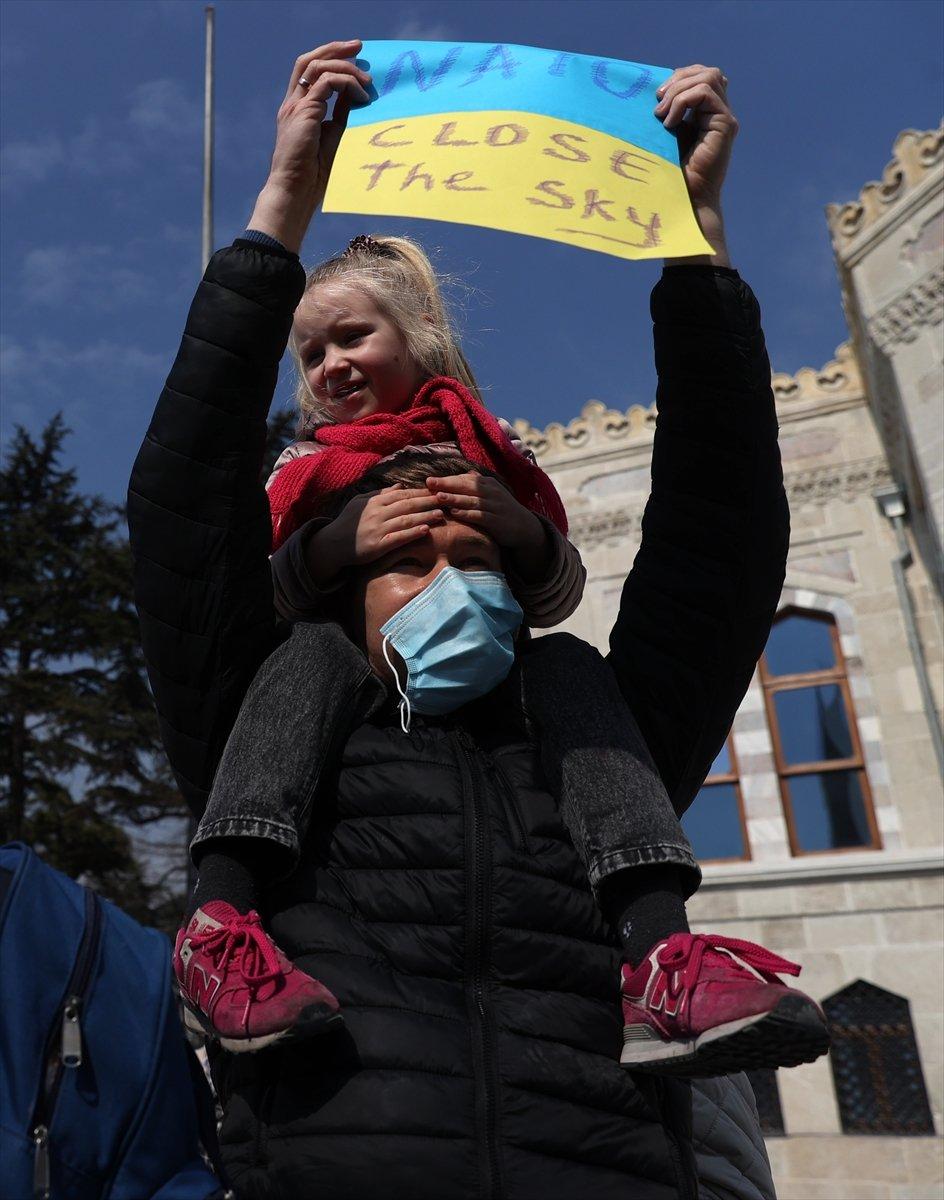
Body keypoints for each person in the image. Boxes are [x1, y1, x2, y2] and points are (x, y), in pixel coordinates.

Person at [129, 41, 817, 1198]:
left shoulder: (594, 737)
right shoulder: (283, 714)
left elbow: (718, 539)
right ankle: (216, 934)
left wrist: (690, 236)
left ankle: (665, 964)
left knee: (564, 670)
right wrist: (281, 209)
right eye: (315, 351)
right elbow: (184, 517)